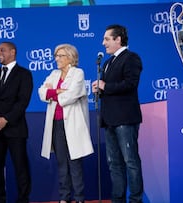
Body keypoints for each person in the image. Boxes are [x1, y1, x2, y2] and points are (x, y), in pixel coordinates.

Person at [92, 24, 144, 203]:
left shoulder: (131, 58)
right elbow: (108, 87)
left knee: (131, 162)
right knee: (114, 163)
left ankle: (136, 200)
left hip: (125, 119)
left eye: (107, 39)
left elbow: (130, 84)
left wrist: (106, 86)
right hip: (109, 120)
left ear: (118, 39)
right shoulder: (107, 63)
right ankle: (118, 200)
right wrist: (98, 89)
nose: (103, 42)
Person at [38, 43, 94, 203]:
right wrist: (55, 91)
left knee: (75, 163)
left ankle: (79, 198)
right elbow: (42, 92)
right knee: (62, 163)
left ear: (70, 57)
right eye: (56, 55)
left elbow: (71, 96)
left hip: (73, 125)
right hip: (56, 124)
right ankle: (64, 197)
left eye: (60, 56)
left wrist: (53, 94)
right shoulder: (54, 74)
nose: (56, 59)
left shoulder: (78, 73)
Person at [0, 41, 33, 203]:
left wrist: (6, 119)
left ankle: (23, 200)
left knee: (20, 168)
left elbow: (22, 102)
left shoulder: (24, 74)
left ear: (13, 52)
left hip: (15, 129)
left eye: (2, 50)